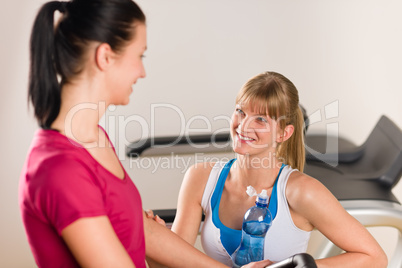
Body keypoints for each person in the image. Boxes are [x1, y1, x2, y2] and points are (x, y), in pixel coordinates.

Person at [19, 1, 275, 267]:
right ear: (105, 56)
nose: (142, 72)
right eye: (139, 56)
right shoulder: (60, 168)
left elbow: (145, 231)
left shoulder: (95, 138)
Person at [170, 71, 388, 267]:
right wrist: (153, 238)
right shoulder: (200, 178)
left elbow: (373, 257)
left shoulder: (302, 192)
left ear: (284, 133)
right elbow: (172, 262)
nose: (243, 126)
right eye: (240, 112)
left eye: (261, 119)